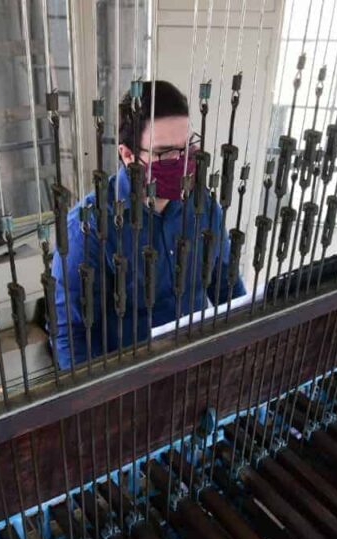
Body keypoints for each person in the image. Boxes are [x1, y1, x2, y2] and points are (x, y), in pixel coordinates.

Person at [50, 80, 246, 369]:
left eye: (188, 149)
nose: (182, 162)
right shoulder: (87, 228)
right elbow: (70, 335)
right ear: (128, 155)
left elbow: (228, 291)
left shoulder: (203, 205)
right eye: (166, 154)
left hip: (198, 364)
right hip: (131, 381)